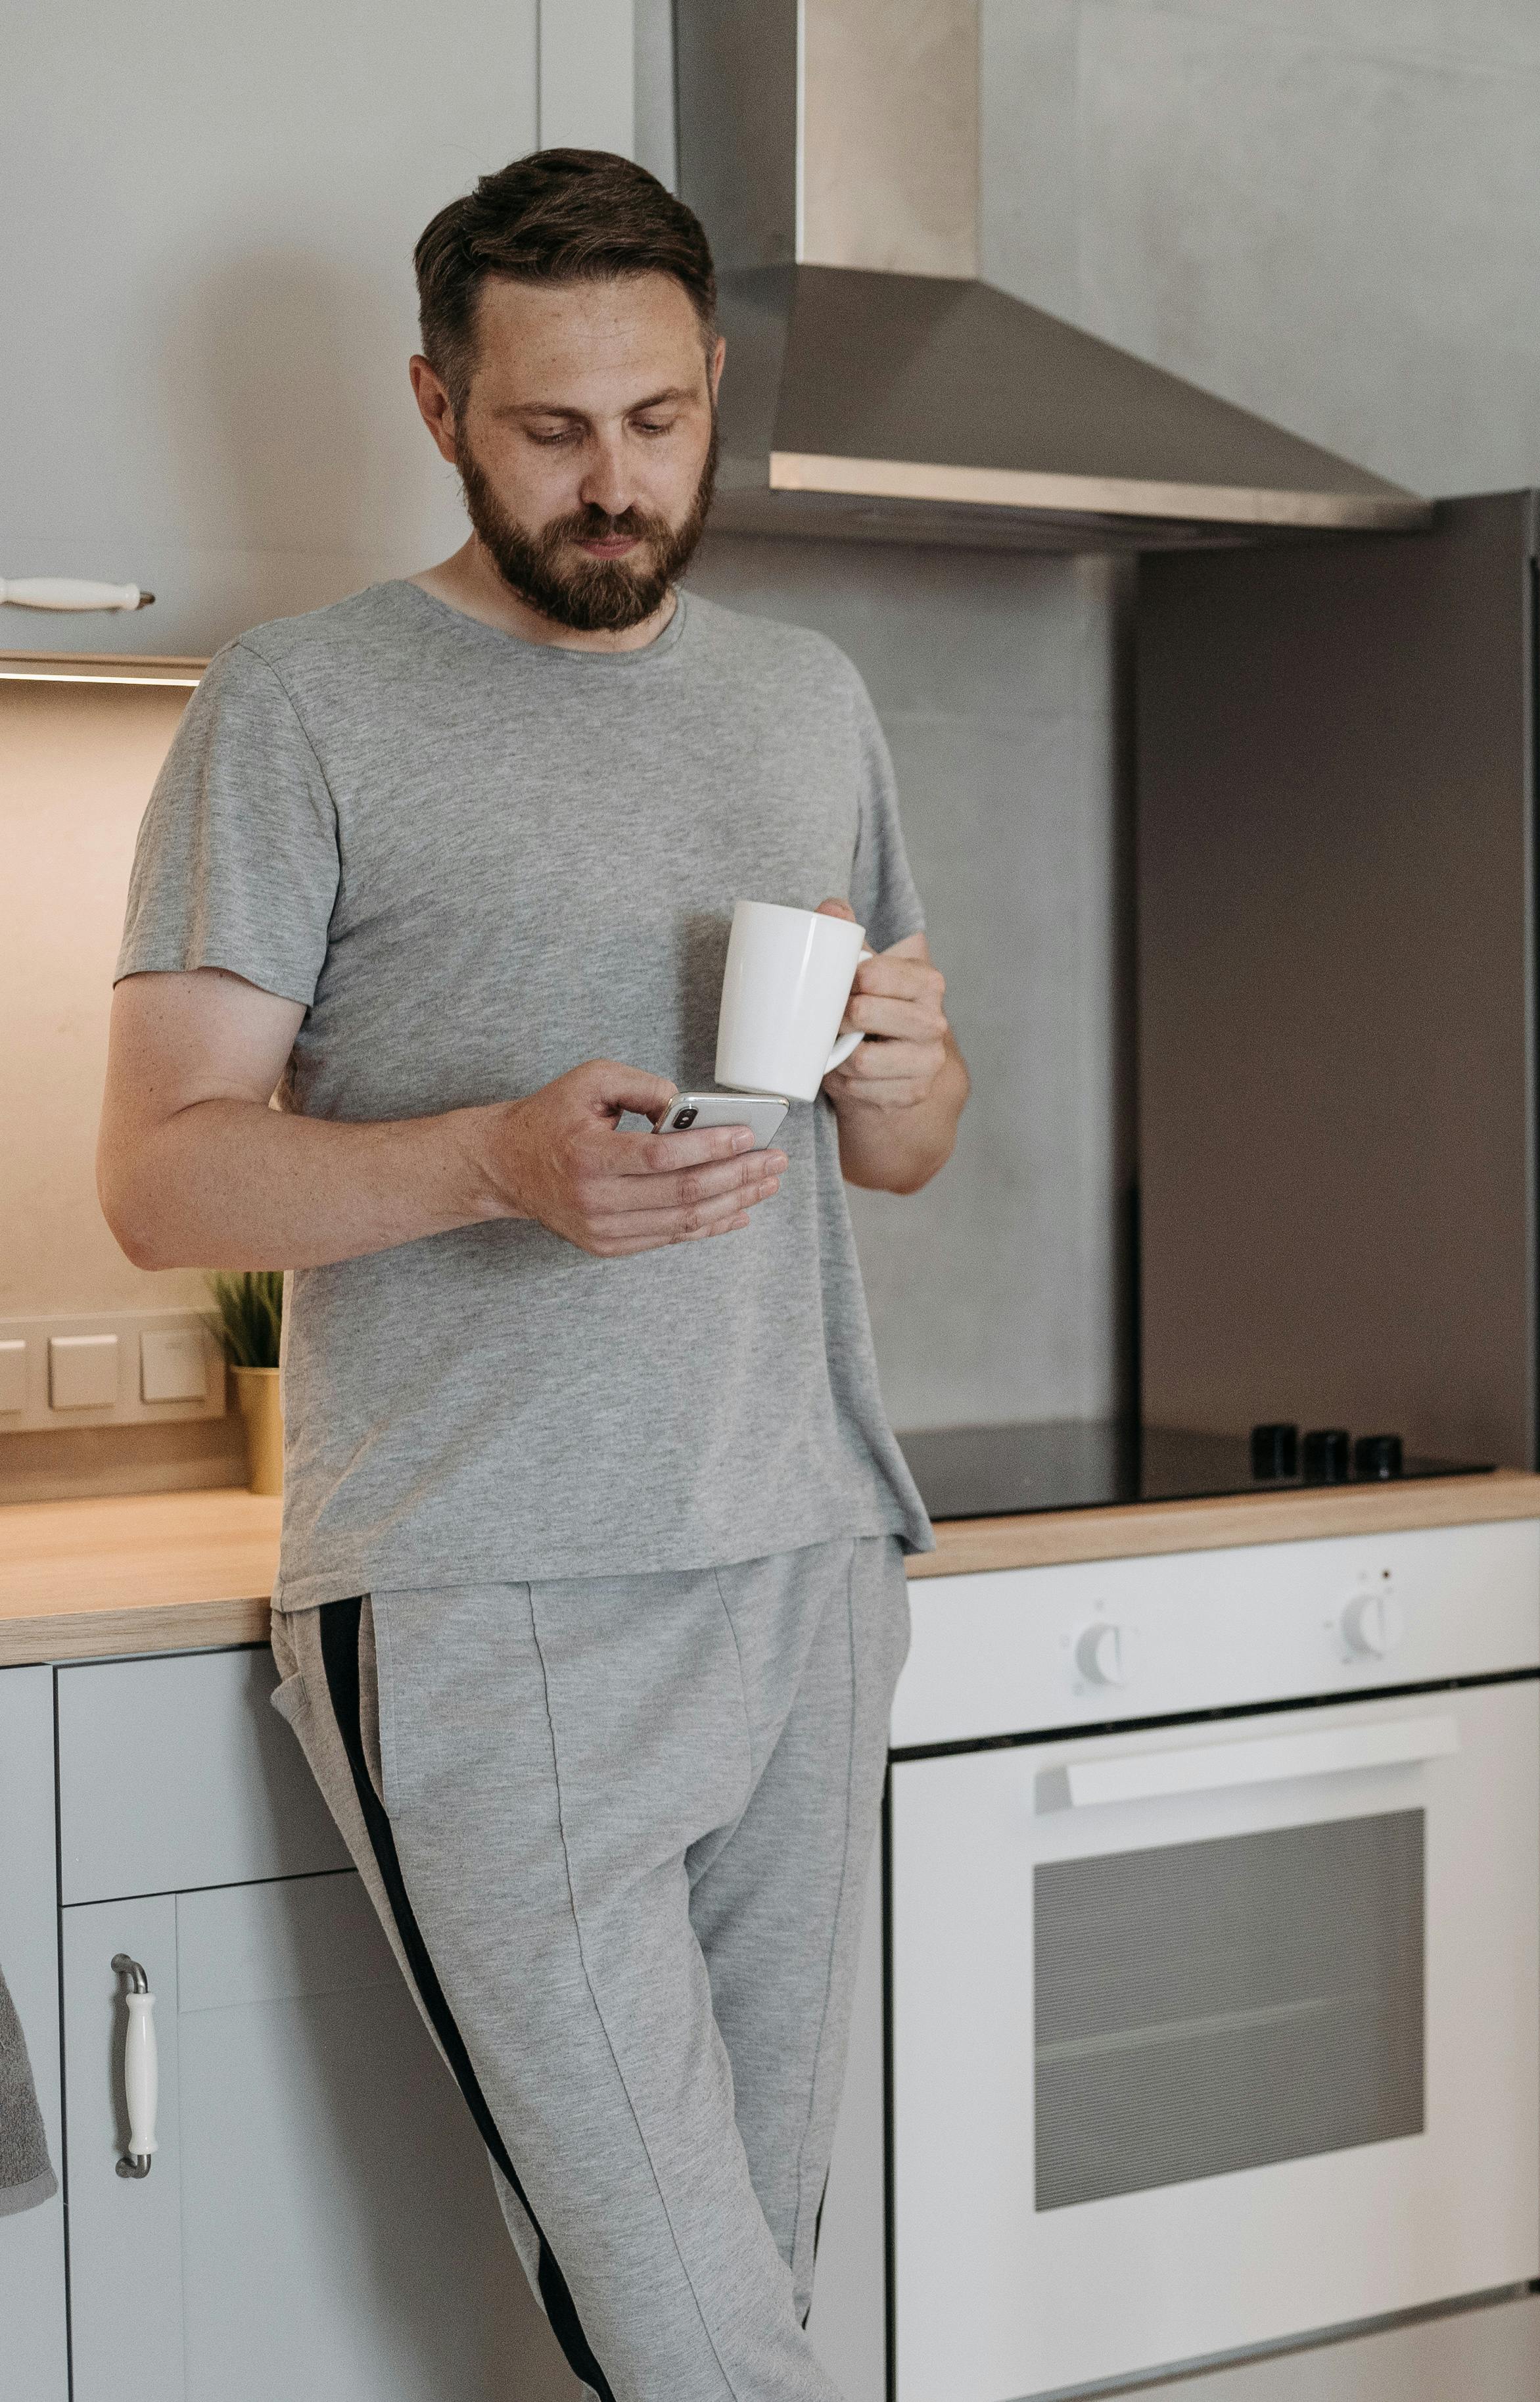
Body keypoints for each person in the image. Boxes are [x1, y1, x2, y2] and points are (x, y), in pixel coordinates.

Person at [94, 149, 964, 2402]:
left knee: (740, 2284)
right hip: (493, 1593)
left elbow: (905, 1149)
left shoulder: (809, 699)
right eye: (551, 429)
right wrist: (492, 1157)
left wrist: (912, 1069)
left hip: (797, 1559)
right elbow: (164, 1181)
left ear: (711, 390)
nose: (614, 485)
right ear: (437, 403)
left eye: (657, 423)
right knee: (687, 2326)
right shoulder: (300, 707)